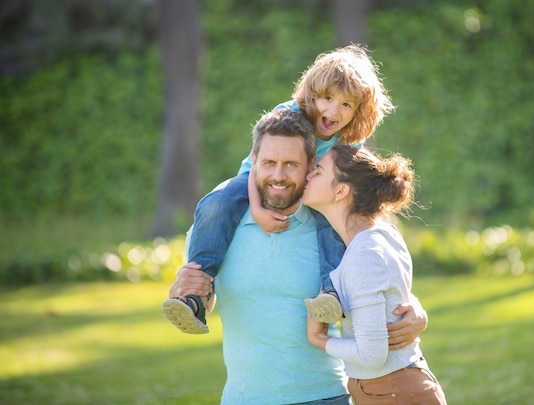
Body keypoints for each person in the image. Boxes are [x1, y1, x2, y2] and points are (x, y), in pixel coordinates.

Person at [168, 109, 428, 404]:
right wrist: (186, 288)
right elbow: (210, 300)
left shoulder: (332, 228)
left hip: (326, 396)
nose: (278, 176)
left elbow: (379, 276)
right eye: (269, 163)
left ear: (310, 167)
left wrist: (416, 311)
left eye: (291, 164)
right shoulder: (217, 227)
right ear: (253, 163)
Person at [162, 44, 395, 333]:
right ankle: (197, 294)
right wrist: (257, 207)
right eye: (327, 98)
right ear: (312, 94)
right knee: (216, 202)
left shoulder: (348, 140)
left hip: (312, 192)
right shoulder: (289, 114)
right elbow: (256, 164)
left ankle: (331, 292)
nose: (333, 111)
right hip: (255, 180)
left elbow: (347, 183)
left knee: (330, 224)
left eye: (346, 105)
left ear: (358, 111)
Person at [303, 145, 447, 404]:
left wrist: (320, 339)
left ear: (341, 190)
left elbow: (372, 355)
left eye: (319, 171)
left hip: (393, 391)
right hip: (398, 386)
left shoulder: (365, 253)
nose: (308, 176)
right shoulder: (383, 234)